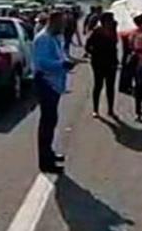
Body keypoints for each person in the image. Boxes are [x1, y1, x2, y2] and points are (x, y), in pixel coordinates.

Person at [33, 11, 77, 174]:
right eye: (62, 24)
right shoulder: (44, 39)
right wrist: (63, 65)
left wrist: (65, 61)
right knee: (47, 122)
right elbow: (42, 62)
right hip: (46, 82)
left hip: (54, 83)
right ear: (53, 23)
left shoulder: (55, 37)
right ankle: (45, 162)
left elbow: (59, 55)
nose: (64, 27)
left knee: (51, 121)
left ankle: (49, 154)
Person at [85, 12, 118, 118]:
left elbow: (115, 44)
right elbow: (87, 46)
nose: (111, 22)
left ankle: (110, 109)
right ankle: (95, 109)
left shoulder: (113, 31)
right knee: (98, 85)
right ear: (103, 22)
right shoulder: (96, 31)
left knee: (110, 87)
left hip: (111, 62)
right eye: (109, 20)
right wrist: (94, 53)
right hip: (98, 62)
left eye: (112, 20)